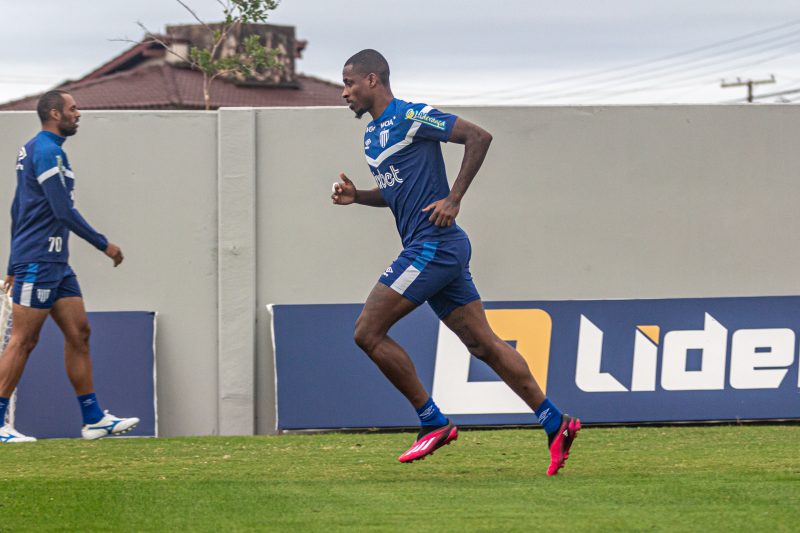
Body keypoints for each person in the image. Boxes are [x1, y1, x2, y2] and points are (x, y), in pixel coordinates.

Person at [332, 50, 580, 475]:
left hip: (432, 246)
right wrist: (360, 197)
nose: (344, 93)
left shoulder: (413, 116)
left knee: (367, 331)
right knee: (483, 344)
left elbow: (479, 137)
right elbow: (397, 195)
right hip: (438, 248)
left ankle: (433, 422)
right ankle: (556, 422)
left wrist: (455, 198)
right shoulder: (373, 136)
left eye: (349, 83)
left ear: (372, 80)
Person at [0, 90, 139, 443]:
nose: (79, 113)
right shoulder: (46, 150)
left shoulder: (40, 148)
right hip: (38, 260)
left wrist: (10, 263)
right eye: (73, 108)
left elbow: (18, 207)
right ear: (54, 114)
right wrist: (103, 244)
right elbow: (62, 211)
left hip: (56, 263)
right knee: (23, 340)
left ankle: (94, 419)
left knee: (80, 333)